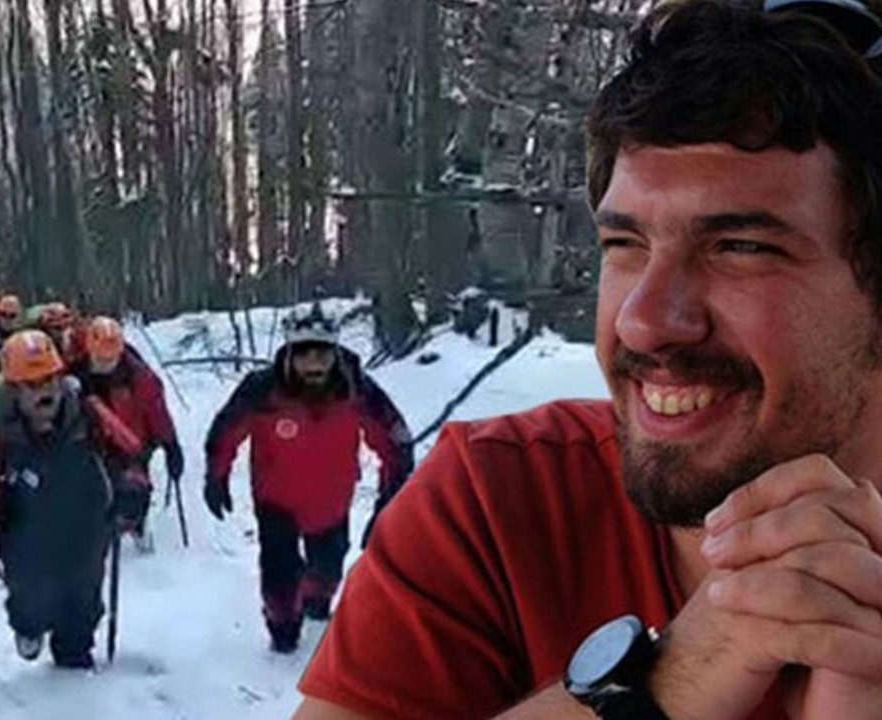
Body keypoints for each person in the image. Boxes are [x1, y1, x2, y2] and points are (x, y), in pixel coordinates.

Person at [293, 1, 882, 719]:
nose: (644, 320)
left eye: (740, 248)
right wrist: (671, 681)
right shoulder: (501, 502)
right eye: (624, 246)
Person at [205, 302, 414, 653]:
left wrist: (388, 498)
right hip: (275, 499)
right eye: (303, 354)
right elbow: (225, 431)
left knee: (327, 567)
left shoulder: (357, 388)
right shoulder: (262, 390)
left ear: (334, 353)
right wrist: (216, 474)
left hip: (332, 501)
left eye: (322, 354)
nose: (313, 363)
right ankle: (282, 625)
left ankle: (316, 600)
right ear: (288, 353)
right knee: (280, 574)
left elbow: (396, 442)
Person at [0, 330, 119, 669]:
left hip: (84, 521)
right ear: (13, 390)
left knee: (83, 595)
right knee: (31, 597)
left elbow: (125, 451)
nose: (44, 392)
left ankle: (73, 661)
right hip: (24, 527)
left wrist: (132, 485)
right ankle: (28, 627)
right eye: (31, 385)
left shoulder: (87, 415)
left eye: (49, 380)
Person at [75, 316, 184, 552]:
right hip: (91, 445)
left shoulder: (142, 379)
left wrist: (171, 445)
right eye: (100, 358)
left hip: (132, 446)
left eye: (111, 358)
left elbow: (159, 415)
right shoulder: (76, 378)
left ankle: (136, 525)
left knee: (134, 494)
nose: (106, 363)